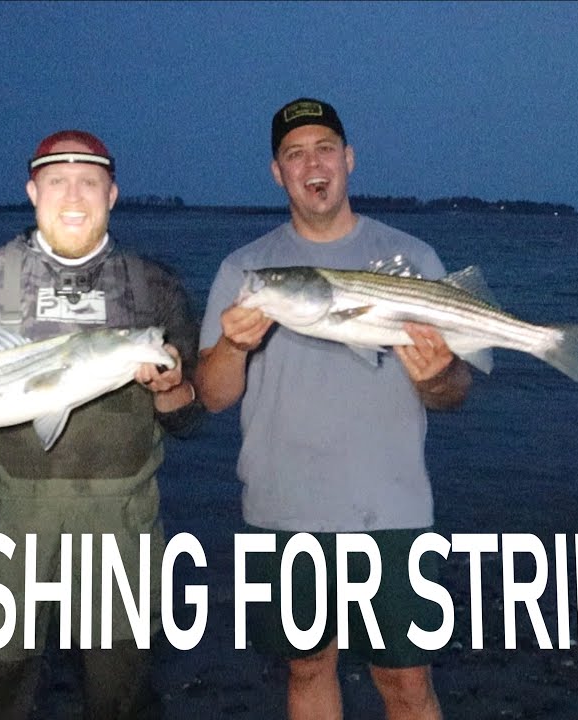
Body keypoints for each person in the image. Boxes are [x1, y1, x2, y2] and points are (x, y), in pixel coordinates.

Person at [194, 98, 472, 720]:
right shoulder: (244, 269)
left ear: (348, 159)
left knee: (406, 681)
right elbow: (212, 396)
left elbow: (455, 391)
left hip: (392, 504)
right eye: (295, 154)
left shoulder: (413, 258)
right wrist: (233, 346)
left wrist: (438, 375)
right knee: (308, 666)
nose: (312, 164)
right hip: (283, 504)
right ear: (278, 173)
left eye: (324, 149)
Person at [0, 129, 203, 720]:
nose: (74, 196)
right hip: (4, 518)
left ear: (112, 194)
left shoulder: (155, 285)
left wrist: (173, 390)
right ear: (32, 191)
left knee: (120, 693)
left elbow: (188, 417)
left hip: (121, 523)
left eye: (89, 182)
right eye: (57, 181)